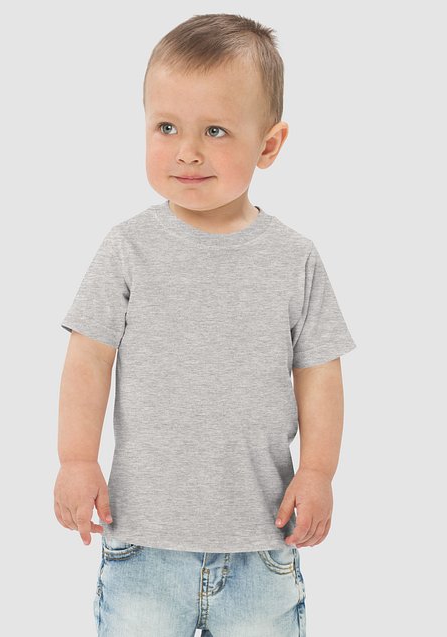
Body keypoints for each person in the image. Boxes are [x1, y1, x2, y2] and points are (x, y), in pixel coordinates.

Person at [54, 13, 356, 637]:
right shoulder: (128, 249)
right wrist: (77, 459)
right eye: (166, 127)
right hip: (143, 544)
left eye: (215, 130)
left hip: (262, 543)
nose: (186, 151)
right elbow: (88, 359)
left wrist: (318, 472)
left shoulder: (294, 259)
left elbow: (320, 373)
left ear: (268, 145)